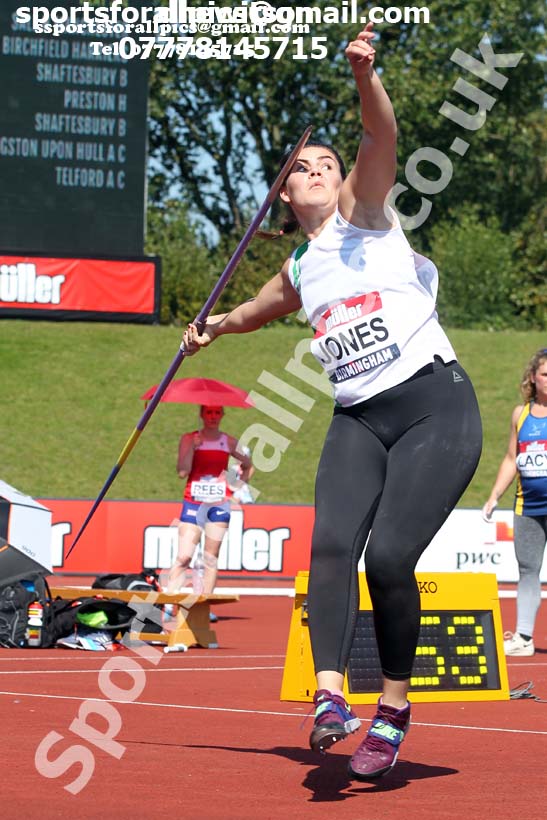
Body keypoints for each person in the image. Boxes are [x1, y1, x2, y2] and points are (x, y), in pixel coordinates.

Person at [182, 23, 482, 780]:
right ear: (283, 193)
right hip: (358, 417)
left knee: (386, 558)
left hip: (431, 408)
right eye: (302, 168)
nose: (318, 171)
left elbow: (380, 136)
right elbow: (254, 308)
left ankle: (392, 709)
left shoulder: (362, 211)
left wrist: (363, 78)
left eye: (326, 163)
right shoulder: (298, 268)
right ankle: (327, 699)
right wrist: (209, 330)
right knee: (328, 546)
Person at [482, 349, 547, 657]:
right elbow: (512, 458)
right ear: (533, 378)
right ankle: (523, 637)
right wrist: (494, 495)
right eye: (545, 374)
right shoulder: (519, 414)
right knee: (528, 569)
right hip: (528, 507)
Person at [167, 405, 253, 596]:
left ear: (222, 415)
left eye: (216, 412)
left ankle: (203, 605)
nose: (212, 417)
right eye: (208, 412)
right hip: (193, 502)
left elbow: (248, 466)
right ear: (201, 414)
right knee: (183, 557)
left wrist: (235, 489)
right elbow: (182, 472)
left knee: (210, 558)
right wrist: (192, 448)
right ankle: (168, 605)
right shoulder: (189, 439)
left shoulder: (228, 441)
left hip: (218, 505)